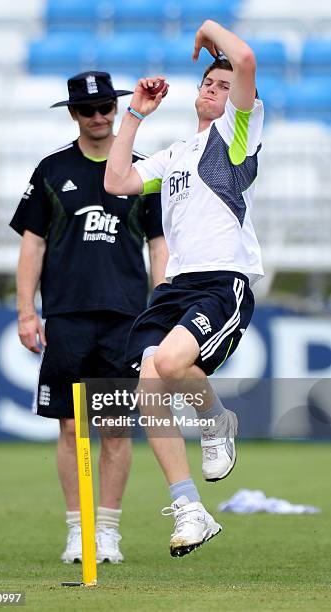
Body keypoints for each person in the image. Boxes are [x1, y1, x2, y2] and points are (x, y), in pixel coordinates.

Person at [105, 20, 264, 557]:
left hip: (222, 279)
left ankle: (217, 420)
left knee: (170, 365)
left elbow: (243, 60)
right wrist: (134, 115)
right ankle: (190, 508)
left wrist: (206, 31)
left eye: (222, 87)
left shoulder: (236, 138)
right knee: (148, 378)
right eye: (207, 84)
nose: (211, 90)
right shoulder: (176, 152)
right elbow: (118, 181)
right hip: (175, 286)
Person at [10, 71, 168, 564]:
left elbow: (159, 243)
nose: (99, 117)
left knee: (116, 429)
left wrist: (161, 303)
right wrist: (25, 311)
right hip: (67, 317)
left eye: (106, 108)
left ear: (117, 109)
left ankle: (109, 533)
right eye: (89, 110)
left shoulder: (144, 172)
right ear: (74, 114)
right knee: (69, 426)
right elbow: (32, 244)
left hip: (125, 319)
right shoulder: (52, 170)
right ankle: (79, 531)